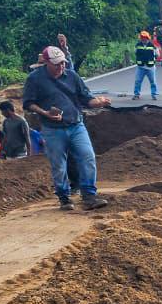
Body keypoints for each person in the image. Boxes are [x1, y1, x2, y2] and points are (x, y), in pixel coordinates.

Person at [21, 45, 109, 211]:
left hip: (76, 124)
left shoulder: (72, 76)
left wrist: (97, 102)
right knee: (59, 164)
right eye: (56, 64)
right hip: (52, 129)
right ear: (46, 63)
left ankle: (89, 195)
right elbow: (28, 103)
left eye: (62, 63)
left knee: (87, 156)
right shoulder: (35, 79)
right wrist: (45, 113)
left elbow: (86, 98)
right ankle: (64, 197)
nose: (60, 66)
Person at [133, 31, 159, 101]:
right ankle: (136, 94)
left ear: (148, 38)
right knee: (138, 81)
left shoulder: (152, 45)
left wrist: (153, 60)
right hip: (140, 67)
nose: (143, 39)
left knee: (153, 81)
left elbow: (157, 54)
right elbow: (135, 53)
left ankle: (154, 94)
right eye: (142, 38)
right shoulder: (137, 45)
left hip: (150, 67)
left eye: (145, 38)